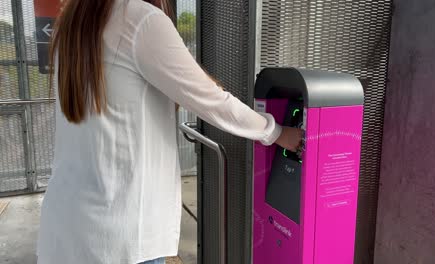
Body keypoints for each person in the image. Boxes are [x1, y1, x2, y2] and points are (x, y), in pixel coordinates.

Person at [36, 0, 303, 263]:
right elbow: (210, 100)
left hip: (64, 227)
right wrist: (276, 132)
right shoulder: (139, 18)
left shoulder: (70, 23)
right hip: (123, 236)